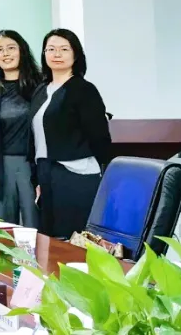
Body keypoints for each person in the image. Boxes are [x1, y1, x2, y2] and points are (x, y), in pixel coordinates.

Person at [30, 29, 111, 239]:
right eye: (51, 49)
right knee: (51, 236)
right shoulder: (41, 90)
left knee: (74, 237)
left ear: (76, 55)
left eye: (64, 49)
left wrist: (105, 170)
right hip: (46, 170)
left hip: (77, 173)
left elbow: (99, 136)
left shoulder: (84, 90)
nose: (57, 54)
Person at [0, 30, 42, 228]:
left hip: (33, 167)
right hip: (0, 167)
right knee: (3, 229)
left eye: (11, 48)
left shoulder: (39, 85)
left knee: (34, 225)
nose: (5, 54)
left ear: (22, 50)